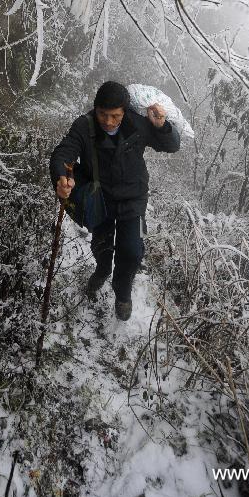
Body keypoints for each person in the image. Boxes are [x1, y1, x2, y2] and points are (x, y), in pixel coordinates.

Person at [49, 81, 180, 321]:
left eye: (115, 116)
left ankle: (123, 293)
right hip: (101, 199)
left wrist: (161, 126)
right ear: (95, 108)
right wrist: (61, 176)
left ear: (125, 112)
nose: (108, 121)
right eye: (103, 114)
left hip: (133, 198)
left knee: (131, 251)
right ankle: (102, 270)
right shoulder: (84, 125)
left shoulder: (136, 124)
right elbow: (63, 153)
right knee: (102, 246)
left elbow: (172, 146)